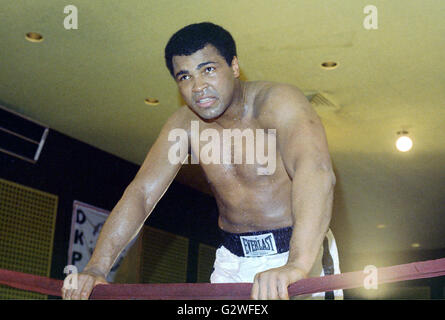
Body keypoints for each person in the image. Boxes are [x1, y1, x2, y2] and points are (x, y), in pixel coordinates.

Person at [62, 22, 342, 300]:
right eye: (184, 77)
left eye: (208, 69)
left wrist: (297, 264)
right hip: (233, 261)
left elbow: (315, 171)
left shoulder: (277, 103)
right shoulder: (184, 125)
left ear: (234, 67)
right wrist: (97, 267)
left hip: (298, 253)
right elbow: (142, 194)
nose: (198, 87)